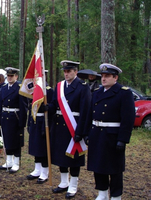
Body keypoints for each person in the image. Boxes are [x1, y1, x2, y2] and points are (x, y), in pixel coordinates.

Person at [84, 63, 135, 200]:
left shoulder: (123, 93)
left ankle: (116, 196)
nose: (104, 79)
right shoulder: (97, 93)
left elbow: (128, 119)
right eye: (102, 76)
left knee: (115, 169)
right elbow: (90, 115)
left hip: (112, 136)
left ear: (115, 77)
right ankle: (102, 193)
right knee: (98, 165)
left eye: (107, 76)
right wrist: (87, 133)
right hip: (96, 134)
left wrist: (123, 139)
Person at [47, 60, 91, 199]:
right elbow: (55, 104)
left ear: (75, 72)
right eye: (65, 71)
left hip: (74, 126)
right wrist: (47, 108)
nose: (66, 74)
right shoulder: (59, 86)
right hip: (59, 126)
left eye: (69, 71)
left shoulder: (83, 87)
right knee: (61, 156)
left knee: (74, 158)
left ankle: (73, 185)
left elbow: (86, 111)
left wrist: (81, 132)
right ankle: (64, 182)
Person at [0, 67, 28, 174]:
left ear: (16, 76)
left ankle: (16, 163)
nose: (9, 78)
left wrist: (22, 122)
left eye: (12, 76)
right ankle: (9, 161)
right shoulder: (4, 88)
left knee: (16, 141)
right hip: (5, 116)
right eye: (8, 76)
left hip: (15, 117)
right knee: (7, 139)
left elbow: (24, 107)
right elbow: (1, 104)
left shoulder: (20, 88)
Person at [26, 83, 53, 184]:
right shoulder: (33, 90)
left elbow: (50, 109)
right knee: (35, 146)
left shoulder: (48, 91)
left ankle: (45, 172)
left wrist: (45, 126)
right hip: (34, 119)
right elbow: (31, 107)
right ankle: (37, 169)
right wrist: (29, 123)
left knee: (43, 148)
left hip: (43, 121)